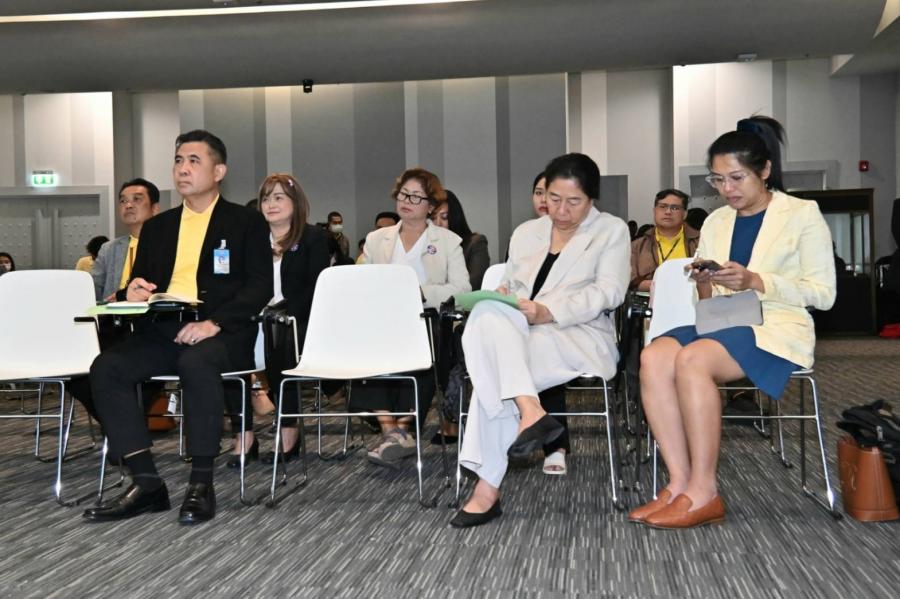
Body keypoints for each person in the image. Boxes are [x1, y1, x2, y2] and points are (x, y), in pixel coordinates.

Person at [630, 116, 836, 529]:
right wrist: (705, 282)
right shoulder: (718, 221)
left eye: (737, 178)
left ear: (765, 170)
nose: (727, 189)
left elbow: (823, 294)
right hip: (723, 320)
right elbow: (706, 302)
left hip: (775, 324)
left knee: (692, 360)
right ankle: (679, 483)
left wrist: (756, 281)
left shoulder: (802, 214)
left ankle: (704, 491)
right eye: (718, 180)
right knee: (653, 357)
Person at [83, 130, 272, 525]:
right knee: (107, 367)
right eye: (178, 160)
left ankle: (200, 483)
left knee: (196, 363)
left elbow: (260, 287)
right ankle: (147, 483)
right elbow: (141, 284)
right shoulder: (159, 227)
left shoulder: (246, 222)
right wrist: (131, 291)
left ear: (219, 171)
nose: (183, 169)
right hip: (165, 330)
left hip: (222, 333)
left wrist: (214, 323)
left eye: (194, 161)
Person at [451, 153, 629, 527]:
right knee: (487, 311)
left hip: (577, 333)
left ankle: (487, 489)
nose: (561, 210)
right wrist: (506, 292)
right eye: (553, 198)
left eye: (573, 201)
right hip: (522, 331)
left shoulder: (611, 231)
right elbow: (515, 284)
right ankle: (530, 409)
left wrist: (549, 312)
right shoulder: (526, 232)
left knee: (493, 374)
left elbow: (609, 292)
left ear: (592, 198)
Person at [355, 167, 471, 466]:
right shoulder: (376, 239)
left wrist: (421, 292)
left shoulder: (448, 241)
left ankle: (400, 430)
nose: (407, 201)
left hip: (425, 320)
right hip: (383, 320)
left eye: (416, 197)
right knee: (363, 344)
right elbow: (360, 282)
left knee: (426, 344)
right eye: (403, 194)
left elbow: (462, 289)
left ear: (430, 206)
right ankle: (393, 431)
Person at [225, 173, 329, 468]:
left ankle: (289, 429)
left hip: (294, 320)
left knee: (281, 337)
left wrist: (280, 314)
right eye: (266, 198)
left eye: (279, 197)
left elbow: (316, 289)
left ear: (295, 203)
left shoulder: (312, 238)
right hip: (251, 318)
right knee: (223, 349)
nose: (270, 204)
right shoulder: (250, 240)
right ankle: (244, 434)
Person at [92, 178, 161, 301]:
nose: (128, 205)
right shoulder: (109, 249)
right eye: (123, 201)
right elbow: (94, 290)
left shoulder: (169, 244)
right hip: (114, 312)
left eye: (137, 199)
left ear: (154, 208)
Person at [630, 189, 700, 291]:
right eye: (663, 206)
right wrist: (661, 285)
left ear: (684, 214)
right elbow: (630, 281)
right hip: (649, 299)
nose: (668, 212)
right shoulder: (637, 246)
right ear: (654, 211)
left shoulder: (699, 242)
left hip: (692, 298)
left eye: (675, 208)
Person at [431, 190, 490, 290]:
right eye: (432, 218)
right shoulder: (428, 246)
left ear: (455, 218)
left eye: (444, 217)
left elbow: (474, 284)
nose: (437, 223)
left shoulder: (475, 243)